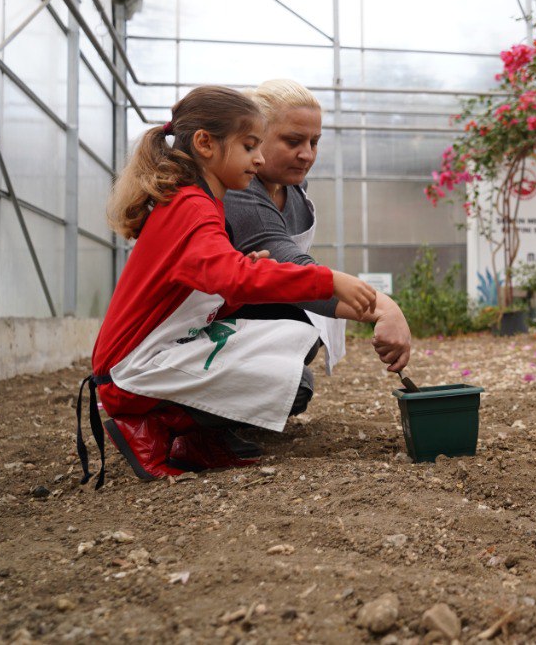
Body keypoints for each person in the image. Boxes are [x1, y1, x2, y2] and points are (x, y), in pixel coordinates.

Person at [77, 86, 379, 485]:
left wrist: (245, 270)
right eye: (249, 146)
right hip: (130, 372)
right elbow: (232, 278)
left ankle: (193, 436)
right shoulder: (191, 207)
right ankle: (151, 425)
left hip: (152, 355)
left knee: (293, 340)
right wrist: (328, 279)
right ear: (205, 144)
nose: (259, 158)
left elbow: (213, 284)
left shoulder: (200, 202)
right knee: (288, 381)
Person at [222, 79, 412, 415]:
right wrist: (383, 307)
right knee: (294, 369)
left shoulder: (292, 187)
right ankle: (183, 419)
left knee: (301, 338)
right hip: (187, 332)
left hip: (233, 315)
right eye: (292, 141)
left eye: (314, 142)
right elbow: (289, 267)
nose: (307, 154)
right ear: (255, 137)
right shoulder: (240, 191)